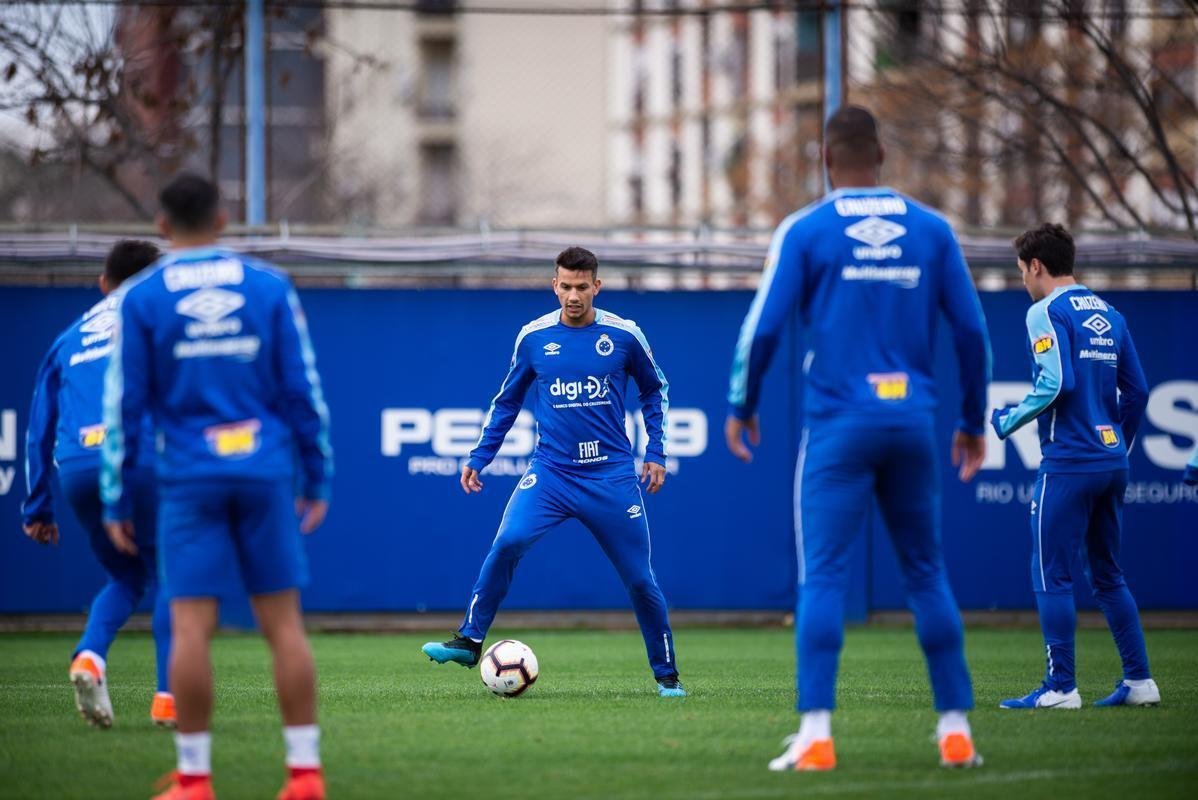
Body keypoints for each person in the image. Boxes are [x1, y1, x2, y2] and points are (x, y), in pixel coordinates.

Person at [725, 106, 990, 771]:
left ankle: (816, 733)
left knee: (823, 580)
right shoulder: (932, 230)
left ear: (825, 159)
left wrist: (743, 403)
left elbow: (763, 329)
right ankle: (955, 728)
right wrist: (971, 421)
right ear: (882, 157)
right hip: (911, 424)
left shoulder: (807, 229)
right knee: (928, 573)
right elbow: (973, 333)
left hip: (839, 427)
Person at [101, 174, 333, 800]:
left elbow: (125, 406)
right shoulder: (268, 286)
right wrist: (316, 473)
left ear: (162, 226)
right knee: (284, 626)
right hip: (263, 472)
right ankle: (305, 774)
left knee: (190, 626)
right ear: (225, 218)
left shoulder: (143, 298)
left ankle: (195, 780)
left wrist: (118, 496)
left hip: (188, 479)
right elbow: (303, 393)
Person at [421, 246, 686, 697]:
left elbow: (654, 390)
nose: (574, 295)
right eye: (566, 286)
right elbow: (505, 403)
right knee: (508, 541)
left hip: (611, 477)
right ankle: (469, 641)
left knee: (641, 579)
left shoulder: (624, 335)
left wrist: (656, 450)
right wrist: (479, 456)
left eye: (583, 287)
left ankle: (667, 677)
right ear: (554, 285)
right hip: (552, 474)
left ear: (597, 287)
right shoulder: (533, 337)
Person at [991, 223, 1159, 710]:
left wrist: (1007, 421)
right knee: (1108, 575)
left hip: (1068, 461)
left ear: (1037, 266)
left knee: (1051, 573)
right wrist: (1118, 447)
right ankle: (1140, 680)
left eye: (1022, 271)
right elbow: (1139, 393)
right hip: (1110, 461)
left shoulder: (1044, 311)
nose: (1023, 281)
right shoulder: (1111, 313)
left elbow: (1056, 383)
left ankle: (1061, 686)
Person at [22, 239, 174, 730]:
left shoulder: (69, 335)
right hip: (138, 457)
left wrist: (37, 507)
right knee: (173, 574)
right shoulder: (161, 319)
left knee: (128, 576)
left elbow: (38, 426)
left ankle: (90, 656)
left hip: (79, 468)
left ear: (103, 284)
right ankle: (170, 699)